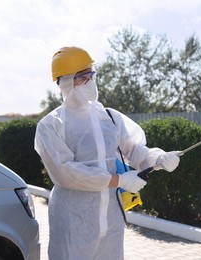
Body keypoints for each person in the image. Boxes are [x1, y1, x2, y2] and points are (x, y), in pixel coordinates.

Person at [34, 46, 180, 260]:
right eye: (82, 76)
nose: (90, 81)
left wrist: (158, 159)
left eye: (91, 75)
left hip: (111, 217)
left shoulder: (109, 117)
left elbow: (134, 150)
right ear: (65, 81)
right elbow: (65, 172)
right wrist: (118, 180)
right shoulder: (51, 125)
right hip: (73, 220)